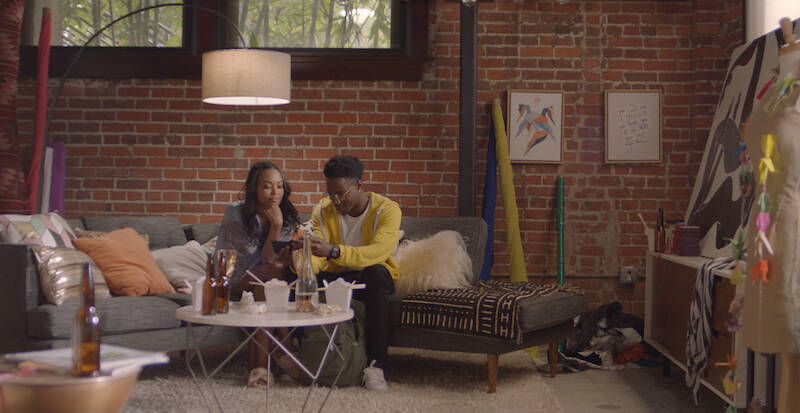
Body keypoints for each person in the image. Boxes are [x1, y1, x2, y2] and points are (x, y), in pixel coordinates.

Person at [305, 155, 401, 391]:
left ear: (359, 184)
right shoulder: (323, 210)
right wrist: (301, 264)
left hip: (370, 278)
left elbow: (378, 252)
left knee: (377, 273)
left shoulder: (387, 210)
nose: (336, 201)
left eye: (341, 193)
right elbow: (319, 256)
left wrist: (335, 251)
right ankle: (300, 358)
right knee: (300, 278)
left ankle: (376, 365)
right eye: (331, 194)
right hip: (337, 277)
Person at [215, 161, 300, 386]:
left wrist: (278, 224)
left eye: (279, 186)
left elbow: (271, 264)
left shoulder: (286, 216)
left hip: (264, 284)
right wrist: (275, 227)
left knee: (268, 283)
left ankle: (259, 368)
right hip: (232, 282)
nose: (275, 193)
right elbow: (251, 259)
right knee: (270, 274)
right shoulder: (235, 212)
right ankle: (286, 348)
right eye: (267, 186)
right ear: (254, 188)